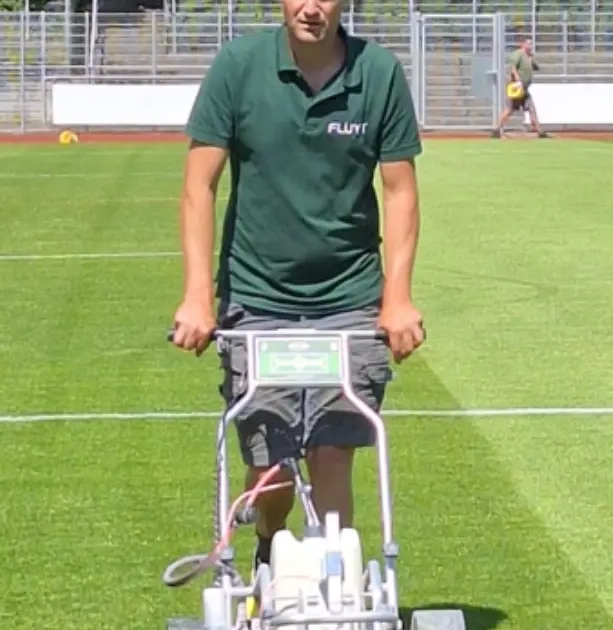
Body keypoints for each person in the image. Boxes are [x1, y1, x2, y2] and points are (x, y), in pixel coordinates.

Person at [170, 0, 426, 572]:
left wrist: (398, 298)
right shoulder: (239, 67)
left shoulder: (378, 72)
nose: (312, 7)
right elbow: (198, 185)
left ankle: (337, 583)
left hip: (350, 296)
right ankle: (269, 543)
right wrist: (197, 296)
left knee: (332, 450)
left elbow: (400, 190)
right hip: (258, 295)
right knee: (273, 464)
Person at [492, 37, 550, 139]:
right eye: (528, 44)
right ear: (523, 44)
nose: (530, 46)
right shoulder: (518, 54)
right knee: (510, 109)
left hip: (525, 89)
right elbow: (512, 67)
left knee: (531, 109)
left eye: (531, 44)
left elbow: (536, 67)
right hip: (517, 87)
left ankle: (540, 131)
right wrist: (517, 78)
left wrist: (532, 58)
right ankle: (497, 129)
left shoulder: (529, 56)